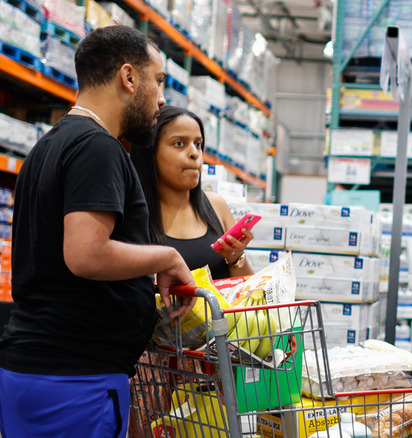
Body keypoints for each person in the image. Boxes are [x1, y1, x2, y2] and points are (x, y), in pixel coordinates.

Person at [0, 25, 196, 438]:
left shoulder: (49, 145)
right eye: (158, 81)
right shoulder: (97, 146)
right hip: (75, 383)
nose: (162, 98)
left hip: (40, 372)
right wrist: (168, 256)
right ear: (128, 77)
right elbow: (86, 254)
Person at [130, 105, 255, 278]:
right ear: (150, 152)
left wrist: (236, 258)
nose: (194, 153)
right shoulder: (132, 215)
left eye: (198, 144)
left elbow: (248, 292)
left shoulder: (216, 206)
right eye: (179, 144)